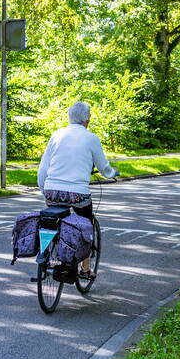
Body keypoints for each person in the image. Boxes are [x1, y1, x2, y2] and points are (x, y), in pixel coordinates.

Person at [36, 101, 118, 278]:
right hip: (78, 194)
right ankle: (85, 269)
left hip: (52, 191)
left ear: (69, 117)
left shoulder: (57, 135)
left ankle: (46, 253)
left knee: (52, 220)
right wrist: (112, 173)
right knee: (85, 225)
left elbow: (44, 166)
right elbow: (104, 167)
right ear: (87, 119)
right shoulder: (91, 138)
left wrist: (43, 187)